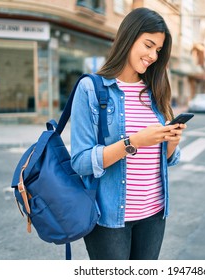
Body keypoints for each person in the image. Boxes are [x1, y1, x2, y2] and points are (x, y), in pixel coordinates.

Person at [70, 7, 187, 260]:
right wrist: (133, 142)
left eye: (158, 50)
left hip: (155, 214)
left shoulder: (155, 91)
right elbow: (80, 162)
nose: (153, 56)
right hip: (110, 218)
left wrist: (171, 142)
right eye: (148, 45)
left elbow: (165, 160)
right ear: (128, 37)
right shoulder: (91, 88)